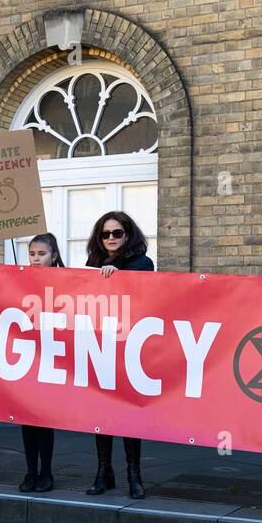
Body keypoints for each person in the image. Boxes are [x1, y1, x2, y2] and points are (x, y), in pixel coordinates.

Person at [85, 211, 153, 499]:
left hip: (129, 346)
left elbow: (146, 295)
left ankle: (133, 473)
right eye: (105, 234)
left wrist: (119, 278)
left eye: (117, 233)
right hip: (100, 344)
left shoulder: (142, 262)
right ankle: (103, 471)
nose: (111, 239)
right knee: (101, 411)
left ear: (128, 234)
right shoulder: (93, 264)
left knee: (127, 412)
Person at [19, 233, 65, 492]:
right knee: (27, 417)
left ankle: (46, 472)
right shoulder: (21, 278)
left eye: (42, 254)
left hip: (51, 356)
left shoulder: (66, 281)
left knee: (43, 418)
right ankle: (29, 471)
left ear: (54, 256)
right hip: (27, 355)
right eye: (32, 254)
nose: (35, 259)